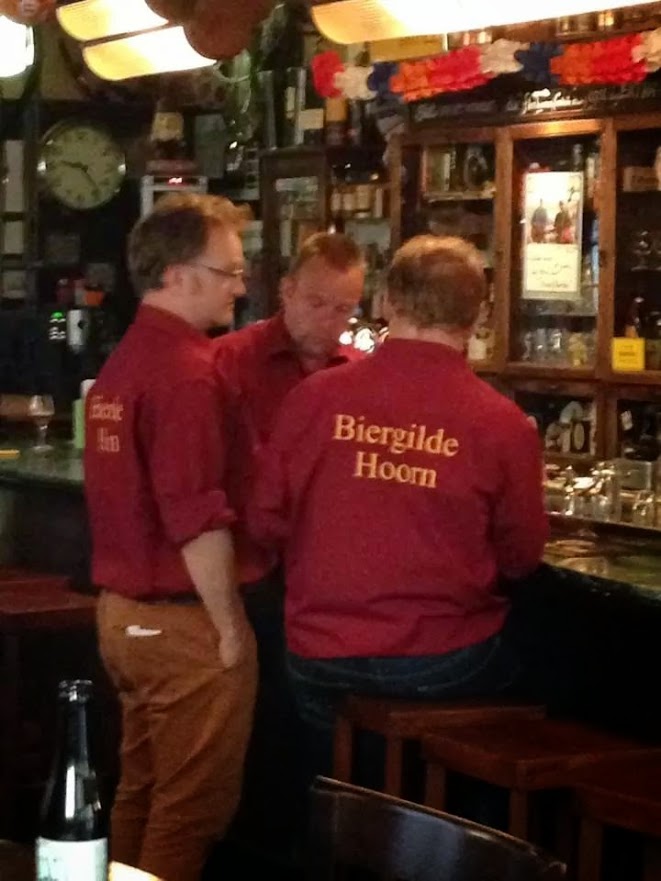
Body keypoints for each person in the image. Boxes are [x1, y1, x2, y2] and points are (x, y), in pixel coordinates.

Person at [250, 234, 548, 777]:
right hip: (444, 661)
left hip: (319, 653)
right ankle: (454, 821)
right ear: (478, 317)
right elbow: (522, 556)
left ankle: (346, 819)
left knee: (332, 778)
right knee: (554, 671)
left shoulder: (313, 398)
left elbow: (265, 522)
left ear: (387, 301)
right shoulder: (502, 424)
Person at [84, 193, 257, 881]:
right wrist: (230, 628)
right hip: (180, 623)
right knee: (189, 813)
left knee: (141, 792)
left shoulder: (126, 361)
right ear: (179, 274)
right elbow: (194, 513)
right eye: (229, 271)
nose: (239, 286)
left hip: (122, 615)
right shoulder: (187, 372)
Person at [212, 232, 365, 858]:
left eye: (345, 308)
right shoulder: (228, 361)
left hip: (323, 582)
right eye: (318, 303)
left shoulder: (359, 374)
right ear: (287, 291)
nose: (331, 321)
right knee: (260, 740)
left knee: (312, 747)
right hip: (248, 574)